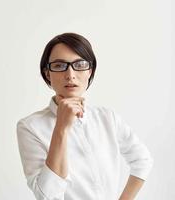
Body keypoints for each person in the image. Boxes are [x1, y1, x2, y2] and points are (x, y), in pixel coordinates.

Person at [16, 32, 153, 200]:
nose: (70, 75)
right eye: (59, 66)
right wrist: (61, 128)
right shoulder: (30, 126)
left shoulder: (107, 118)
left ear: (90, 71)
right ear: (47, 74)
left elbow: (143, 160)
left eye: (79, 64)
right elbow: (47, 196)